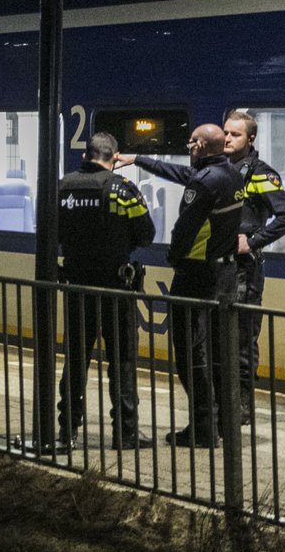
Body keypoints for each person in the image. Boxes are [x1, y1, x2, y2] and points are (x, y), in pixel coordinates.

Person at [130, 124, 243, 447]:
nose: (188, 148)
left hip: (197, 276)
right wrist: (140, 159)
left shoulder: (204, 184)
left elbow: (183, 230)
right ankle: (225, 424)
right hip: (226, 274)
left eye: (191, 144)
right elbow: (183, 173)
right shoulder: (233, 175)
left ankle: (203, 427)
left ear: (201, 147)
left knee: (191, 353)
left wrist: (174, 259)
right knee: (220, 353)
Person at [56, 132, 156, 451]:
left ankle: (67, 428)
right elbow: (146, 235)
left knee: (76, 358)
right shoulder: (122, 189)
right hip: (116, 288)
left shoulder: (61, 186)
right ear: (114, 158)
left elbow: (48, 229)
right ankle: (124, 432)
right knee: (122, 360)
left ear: (86, 156)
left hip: (77, 285)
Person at [218, 110, 285, 423]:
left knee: (241, 342)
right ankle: (222, 403)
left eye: (235, 134)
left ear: (250, 139)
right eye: (225, 132)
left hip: (243, 271)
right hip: (218, 269)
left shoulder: (261, 174)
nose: (227, 138)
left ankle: (242, 407)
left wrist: (252, 241)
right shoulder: (218, 169)